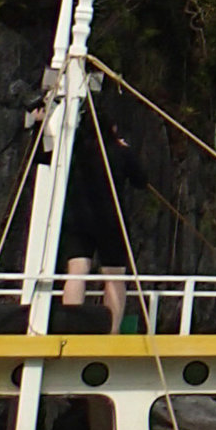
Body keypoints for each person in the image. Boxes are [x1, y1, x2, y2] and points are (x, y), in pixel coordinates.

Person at [58, 124, 145, 334]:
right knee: (114, 275)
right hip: (110, 220)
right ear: (113, 129)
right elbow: (141, 180)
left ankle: (71, 328)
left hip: (77, 218)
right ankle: (112, 330)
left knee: (77, 271)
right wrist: (125, 150)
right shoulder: (118, 151)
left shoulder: (75, 150)